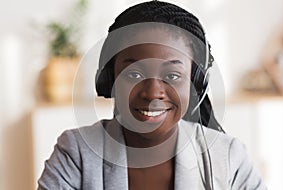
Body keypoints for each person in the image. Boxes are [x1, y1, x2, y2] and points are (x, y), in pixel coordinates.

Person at [38, 1, 266, 189]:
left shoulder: (228, 157)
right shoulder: (76, 152)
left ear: (195, 83)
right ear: (110, 79)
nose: (152, 93)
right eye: (134, 74)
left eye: (173, 76)